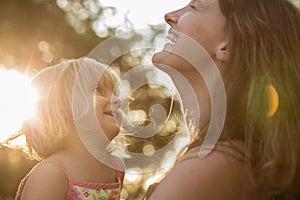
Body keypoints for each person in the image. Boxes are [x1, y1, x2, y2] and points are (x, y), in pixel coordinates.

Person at [149, 0, 300, 199]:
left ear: (228, 43)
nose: (170, 16)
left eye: (194, 6)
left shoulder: (210, 167)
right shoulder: (247, 160)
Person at [15, 57, 123, 200]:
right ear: (64, 108)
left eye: (115, 93)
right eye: (99, 90)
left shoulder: (116, 168)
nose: (117, 100)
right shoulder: (50, 174)